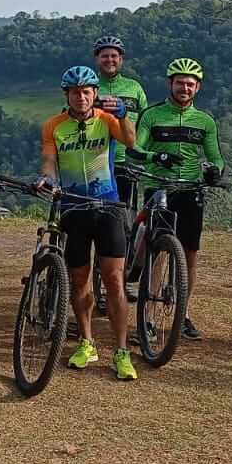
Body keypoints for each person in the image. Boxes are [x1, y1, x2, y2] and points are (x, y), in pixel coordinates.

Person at [38, 64, 139, 381]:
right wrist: (45, 178)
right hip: (73, 208)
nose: (80, 97)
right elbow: (49, 161)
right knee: (79, 281)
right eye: (74, 92)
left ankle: (122, 351)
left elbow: (131, 142)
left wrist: (123, 114)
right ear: (66, 95)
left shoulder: (107, 120)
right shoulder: (54, 126)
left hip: (108, 206)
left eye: (86, 92)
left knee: (113, 280)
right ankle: (86, 341)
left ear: (95, 94)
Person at [132, 57, 224, 341]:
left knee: (190, 255)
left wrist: (214, 172)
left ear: (197, 88)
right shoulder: (152, 115)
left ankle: (182, 312)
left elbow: (215, 156)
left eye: (190, 84)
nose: (184, 88)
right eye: (179, 83)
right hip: (159, 187)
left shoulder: (205, 121)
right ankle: (146, 318)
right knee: (158, 252)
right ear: (169, 84)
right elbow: (135, 149)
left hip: (190, 190)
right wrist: (155, 156)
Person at [92, 35, 145, 315]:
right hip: (97, 162)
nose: (109, 60)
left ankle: (118, 282)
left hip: (125, 164)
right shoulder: (90, 85)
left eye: (114, 56)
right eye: (104, 56)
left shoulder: (134, 88)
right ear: (97, 59)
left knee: (122, 228)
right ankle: (97, 287)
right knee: (95, 224)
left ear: (121, 60)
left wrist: (143, 152)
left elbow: (144, 123)